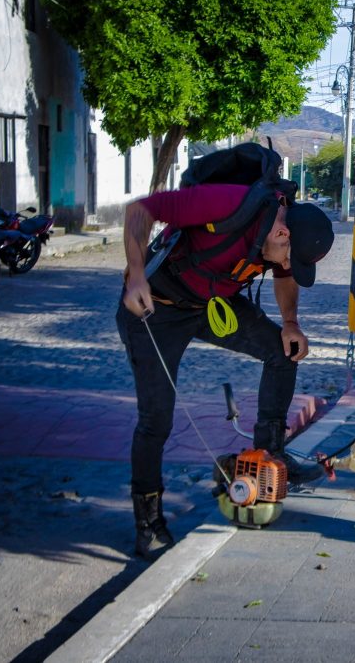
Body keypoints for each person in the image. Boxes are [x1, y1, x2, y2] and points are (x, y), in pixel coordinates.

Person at [117, 179, 335, 560]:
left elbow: (285, 276)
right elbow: (139, 211)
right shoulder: (228, 204)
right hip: (155, 310)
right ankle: (148, 522)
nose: (287, 265)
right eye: (290, 257)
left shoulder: (283, 233)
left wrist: (290, 323)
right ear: (281, 233)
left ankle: (270, 458)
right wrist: (136, 275)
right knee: (156, 419)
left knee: (284, 351)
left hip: (210, 305)